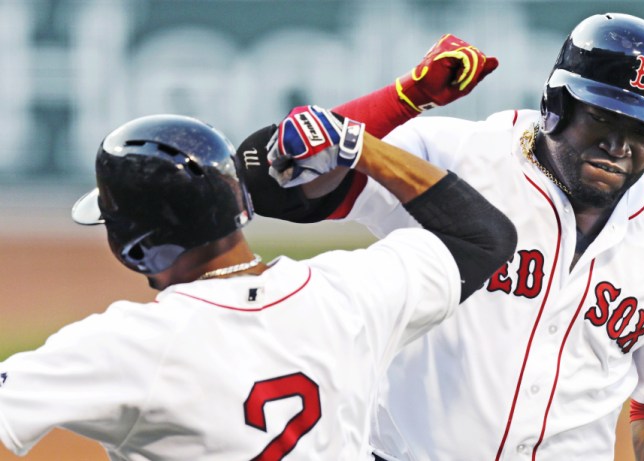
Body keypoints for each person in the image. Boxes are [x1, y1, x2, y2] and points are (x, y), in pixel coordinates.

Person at [242, 13, 644, 461]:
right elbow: (274, 181)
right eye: (604, 118)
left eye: (643, 130)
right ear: (556, 104)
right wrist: (406, 98)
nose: (620, 146)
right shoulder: (450, 156)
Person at [0, 103, 517, 459]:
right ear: (238, 200)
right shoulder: (351, 294)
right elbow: (485, 237)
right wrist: (360, 146)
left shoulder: (130, 346)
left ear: (134, 241)